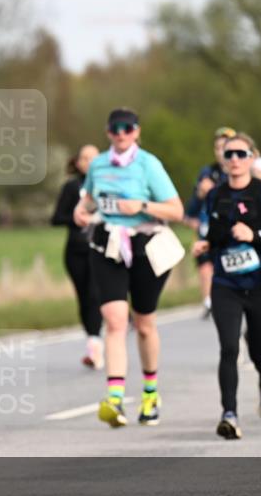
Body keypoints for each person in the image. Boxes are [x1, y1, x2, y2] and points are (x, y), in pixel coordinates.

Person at [73, 108, 185, 428]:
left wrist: (143, 206)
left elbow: (176, 210)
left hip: (146, 246)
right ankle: (116, 398)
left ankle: (150, 393)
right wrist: (82, 212)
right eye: (115, 129)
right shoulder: (98, 164)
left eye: (127, 129)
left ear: (136, 132)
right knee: (115, 320)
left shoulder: (148, 165)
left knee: (144, 323)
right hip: (108, 245)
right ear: (108, 132)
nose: (121, 134)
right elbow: (89, 201)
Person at [192, 133, 261, 440]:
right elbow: (214, 233)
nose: (234, 159)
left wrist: (255, 234)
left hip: (260, 285)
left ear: (251, 157)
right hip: (226, 285)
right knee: (229, 348)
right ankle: (229, 414)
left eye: (240, 153)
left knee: (259, 350)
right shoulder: (216, 195)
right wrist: (204, 246)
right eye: (229, 154)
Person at [51, 143, 104, 368]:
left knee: (94, 294)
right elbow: (56, 218)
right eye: (84, 158)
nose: (88, 162)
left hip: (99, 247)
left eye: (93, 158)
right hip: (75, 251)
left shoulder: (107, 185)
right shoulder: (71, 188)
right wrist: (75, 218)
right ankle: (93, 339)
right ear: (78, 162)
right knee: (84, 297)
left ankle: (95, 345)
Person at [185, 127, 236, 320]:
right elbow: (194, 205)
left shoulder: (238, 170)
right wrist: (200, 194)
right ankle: (208, 301)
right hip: (208, 227)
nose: (220, 151)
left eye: (224, 146)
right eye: (217, 147)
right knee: (205, 265)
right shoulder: (207, 172)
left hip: (230, 228)